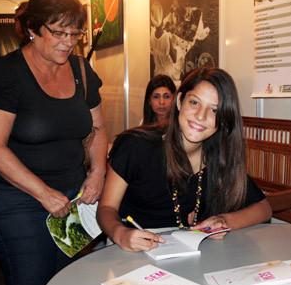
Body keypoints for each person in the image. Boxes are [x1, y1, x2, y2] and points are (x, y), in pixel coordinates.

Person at [0, 0, 107, 285]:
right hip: (16, 199)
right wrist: (43, 193)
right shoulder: (6, 73)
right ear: (34, 28)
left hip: (71, 197)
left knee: (68, 284)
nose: (68, 42)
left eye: (75, 34)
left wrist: (99, 170)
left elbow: (99, 127)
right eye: (59, 32)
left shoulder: (80, 69)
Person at [97, 67, 272, 252]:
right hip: (132, 245)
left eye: (214, 110)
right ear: (180, 101)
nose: (201, 116)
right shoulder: (136, 145)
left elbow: (264, 208)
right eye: (195, 103)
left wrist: (224, 221)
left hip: (183, 246)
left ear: (224, 119)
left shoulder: (217, 157)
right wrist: (120, 233)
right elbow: (106, 207)